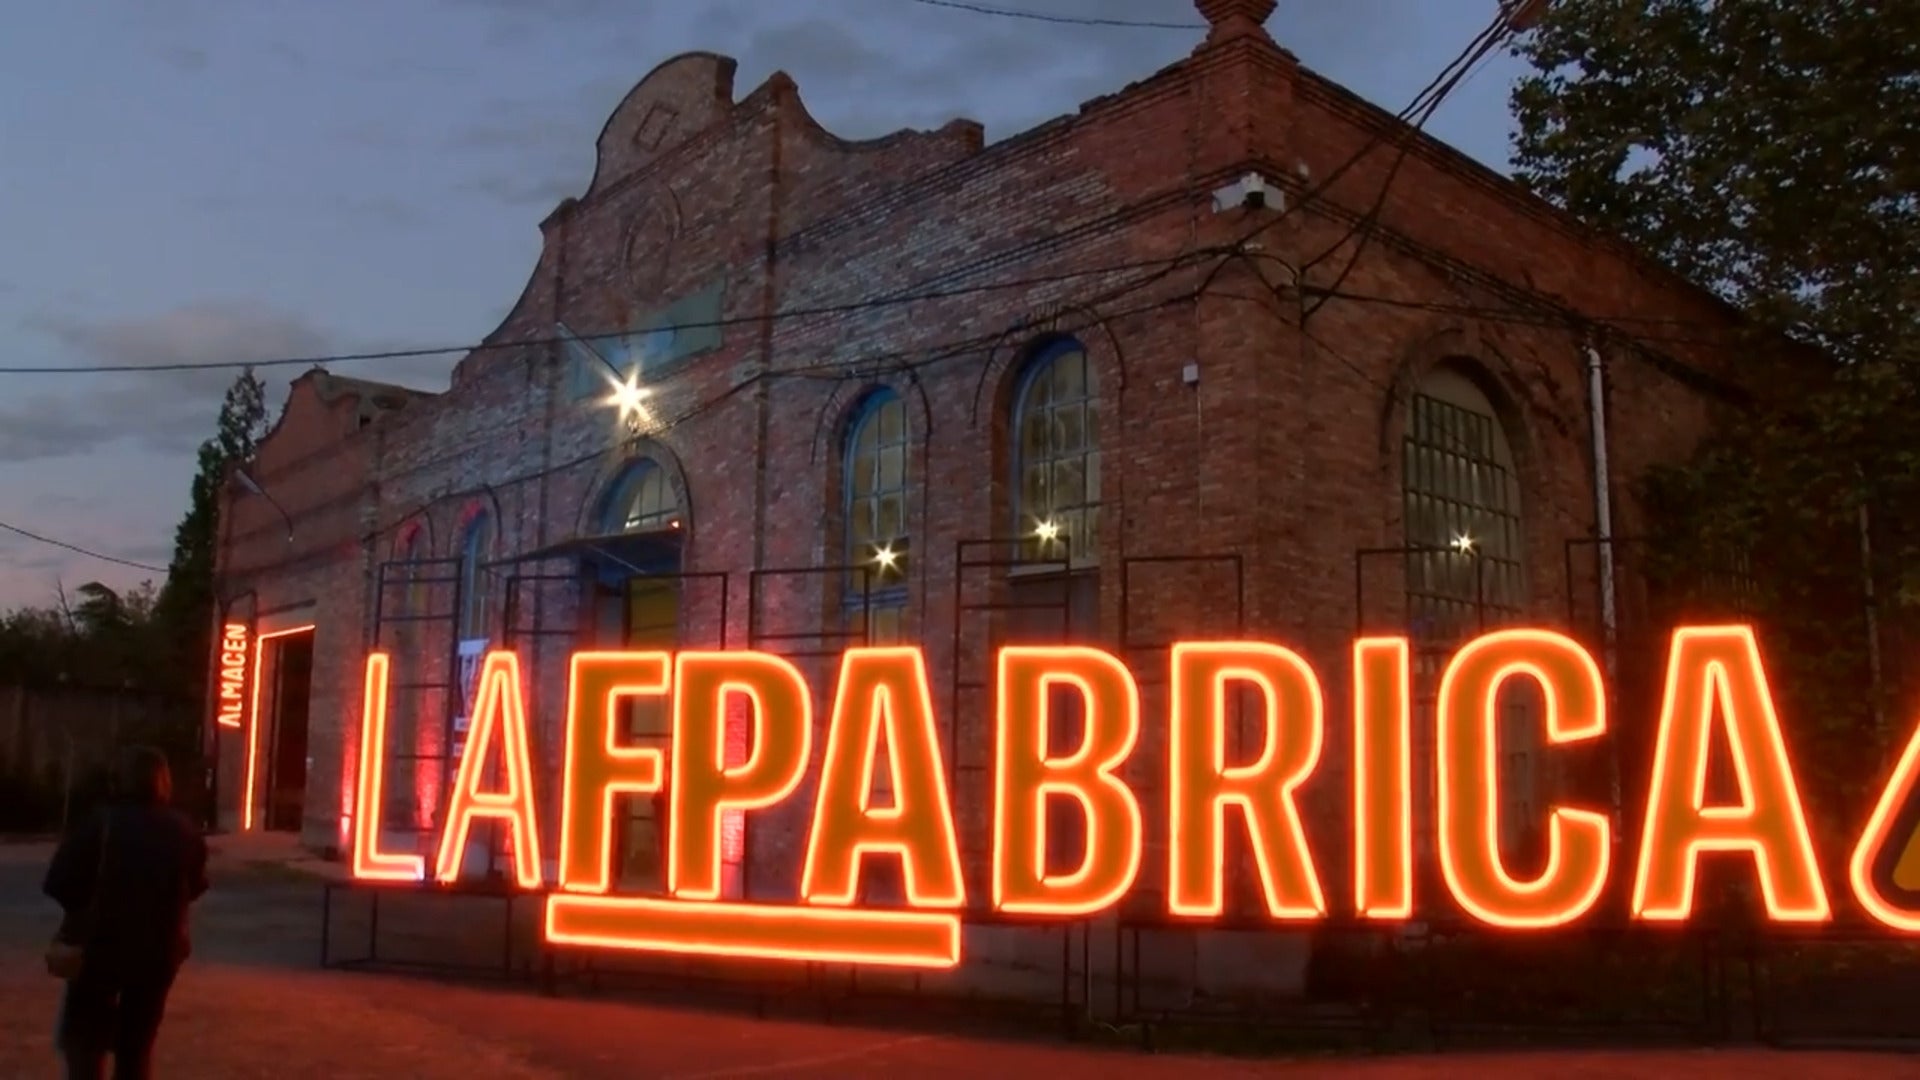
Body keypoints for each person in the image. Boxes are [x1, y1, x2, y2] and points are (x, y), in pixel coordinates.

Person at [43, 746, 210, 1079]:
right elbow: (196, 886)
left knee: (84, 1042)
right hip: (158, 955)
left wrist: (82, 911)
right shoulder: (185, 832)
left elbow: (58, 882)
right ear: (164, 783)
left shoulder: (99, 824)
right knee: (137, 1047)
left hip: (99, 950)